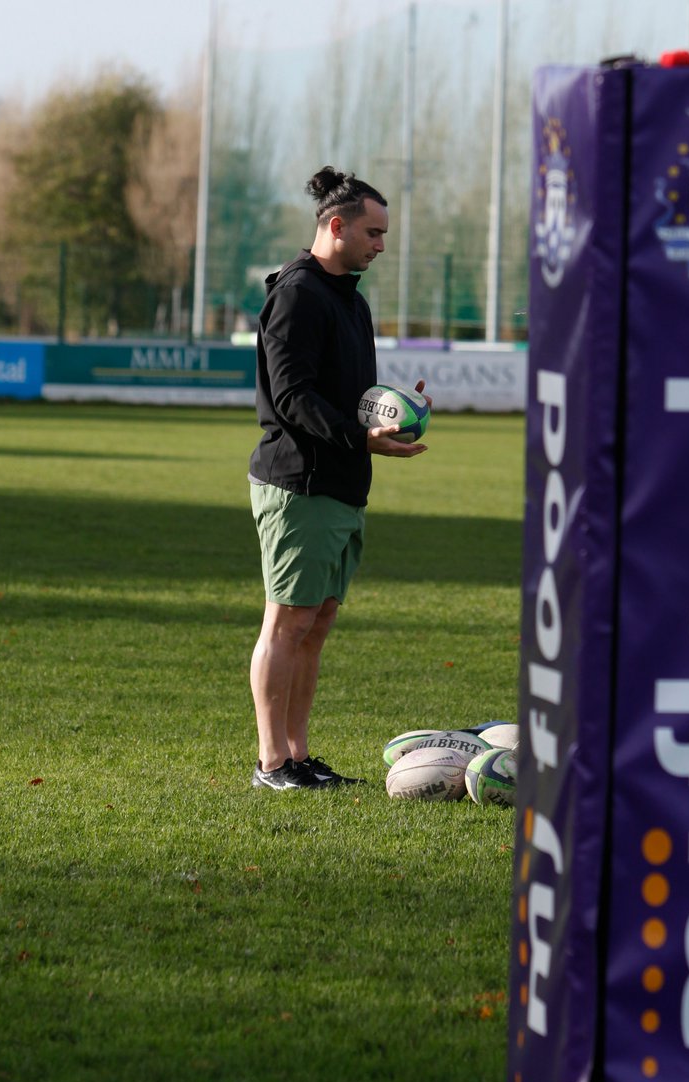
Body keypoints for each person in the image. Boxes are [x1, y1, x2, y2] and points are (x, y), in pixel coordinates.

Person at [247, 166, 429, 790]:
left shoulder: (350, 297)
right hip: (300, 482)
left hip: (343, 484)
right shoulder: (298, 292)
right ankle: (272, 762)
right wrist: (360, 437)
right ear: (336, 226)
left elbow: (347, 396)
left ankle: (299, 754)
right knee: (287, 620)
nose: (381, 245)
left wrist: (393, 412)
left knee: (316, 621)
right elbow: (291, 395)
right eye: (373, 233)